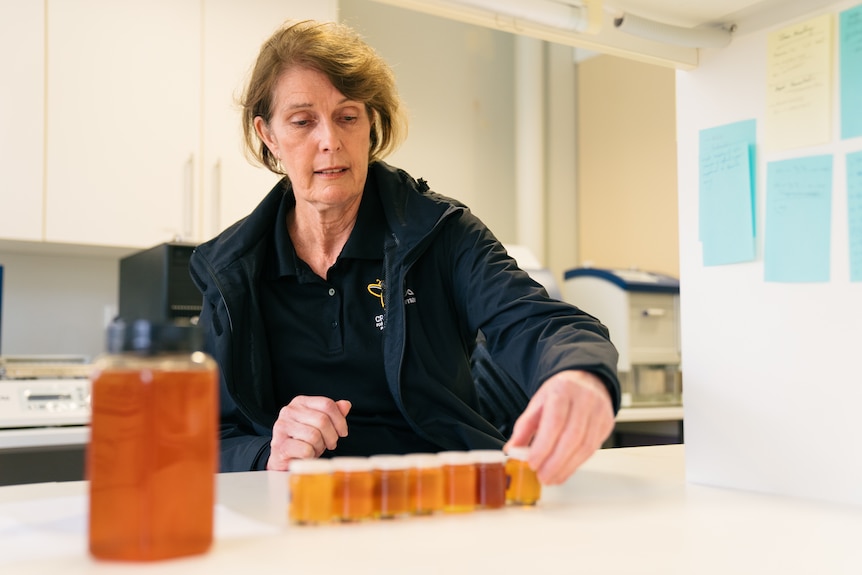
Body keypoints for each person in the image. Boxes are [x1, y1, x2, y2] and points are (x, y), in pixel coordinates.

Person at [189, 19, 620, 485]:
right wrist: (265, 454)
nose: (330, 140)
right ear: (269, 135)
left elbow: (538, 321)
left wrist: (579, 372)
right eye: (302, 121)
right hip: (299, 508)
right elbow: (205, 436)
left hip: (438, 497)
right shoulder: (233, 271)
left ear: (370, 124)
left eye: (347, 116)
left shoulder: (442, 233)